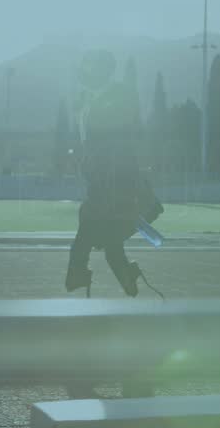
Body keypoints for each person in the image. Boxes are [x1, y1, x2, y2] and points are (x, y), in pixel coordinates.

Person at [64, 51, 162, 297]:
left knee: (92, 220)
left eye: (88, 66)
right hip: (100, 173)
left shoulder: (117, 95)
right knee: (108, 233)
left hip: (115, 174)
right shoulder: (87, 98)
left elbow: (124, 134)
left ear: (102, 70)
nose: (83, 71)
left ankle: (78, 273)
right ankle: (124, 274)